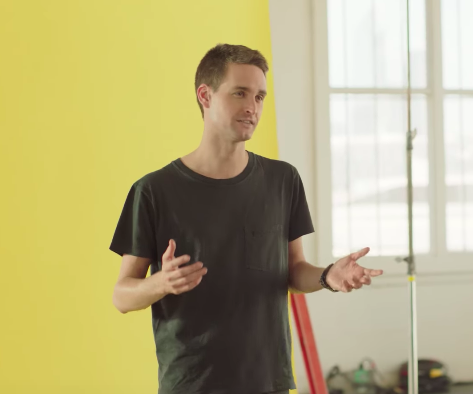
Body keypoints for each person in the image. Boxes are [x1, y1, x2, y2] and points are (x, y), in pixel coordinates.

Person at [109, 44, 383, 394]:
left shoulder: (283, 180)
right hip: (191, 384)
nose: (252, 107)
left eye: (259, 96)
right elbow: (122, 296)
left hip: (267, 381)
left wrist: (328, 275)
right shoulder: (153, 191)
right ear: (205, 96)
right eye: (240, 93)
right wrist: (161, 283)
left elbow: (293, 271)